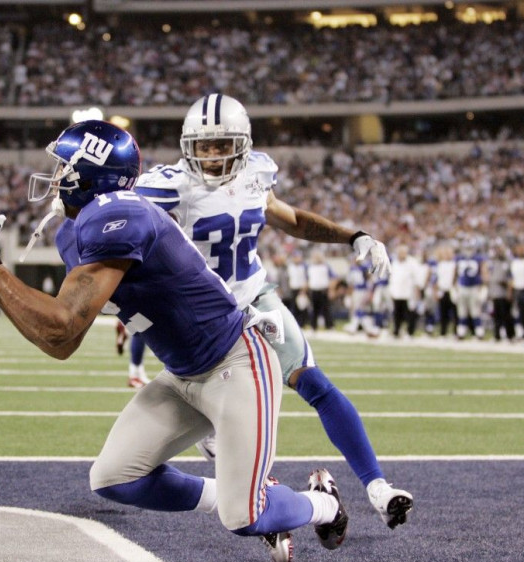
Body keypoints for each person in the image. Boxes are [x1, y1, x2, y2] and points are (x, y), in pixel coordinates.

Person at [0, 120, 349, 562]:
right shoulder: (75, 230)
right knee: (113, 478)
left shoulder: (122, 215)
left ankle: (321, 503)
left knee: (244, 518)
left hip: (236, 362)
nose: (54, 177)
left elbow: (62, 328)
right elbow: (62, 341)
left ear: (89, 175)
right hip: (183, 373)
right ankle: (251, 493)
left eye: (63, 166)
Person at [134, 94, 413, 529]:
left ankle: (378, 487)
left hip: (253, 297)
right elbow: (114, 212)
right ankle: (273, 500)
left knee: (315, 383)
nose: (211, 155)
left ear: (242, 143)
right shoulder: (167, 185)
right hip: (199, 320)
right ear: (187, 145)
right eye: (203, 146)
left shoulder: (256, 174)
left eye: (221, 144)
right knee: (226, 431)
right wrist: (77, 205)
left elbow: (291, 219)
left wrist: (352, 236)